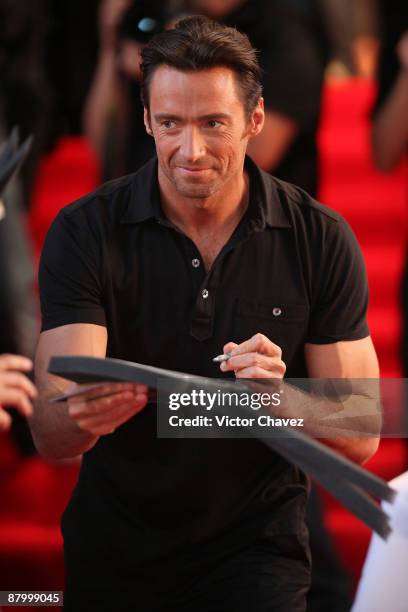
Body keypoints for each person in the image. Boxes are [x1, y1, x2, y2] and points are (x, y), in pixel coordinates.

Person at [31, 16, 379, 611]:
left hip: (257, 548)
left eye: (213, 124)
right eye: (170, 124)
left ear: (255, 120)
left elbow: (365, 429)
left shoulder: (318, 237)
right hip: (117, 547)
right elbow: (51, 431)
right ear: (146, 121)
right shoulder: (86, 230)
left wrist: (281, 398)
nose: (190, 151)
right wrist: (82, 412)